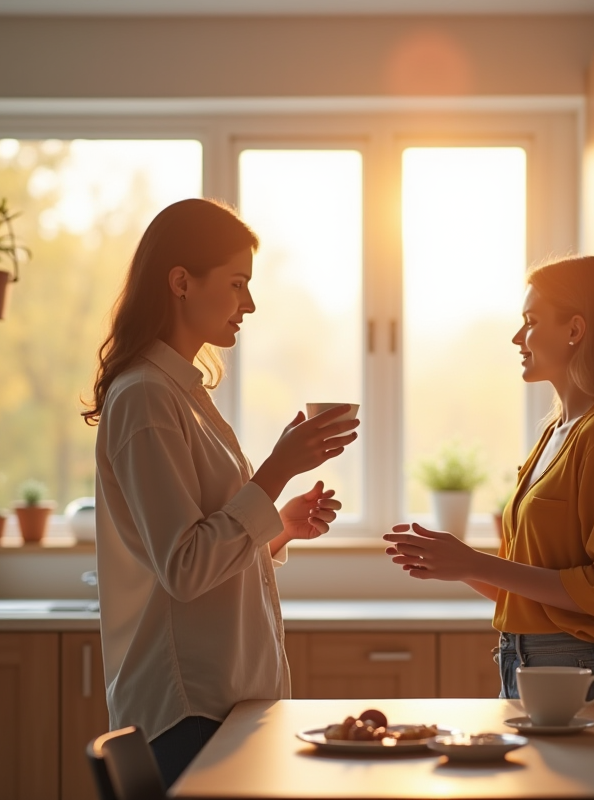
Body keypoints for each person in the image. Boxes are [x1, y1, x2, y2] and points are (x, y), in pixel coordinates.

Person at [82, 198, 359, 785]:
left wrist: (278, 522)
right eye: (237, 284)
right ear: (181, 282)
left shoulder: (183, 393)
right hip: (189, 711)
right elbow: (183, 566)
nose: (249, 303)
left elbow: (205, 543)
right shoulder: (146, 399)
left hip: (222, 704)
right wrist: (275, 471)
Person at [383, 255, 594, 701]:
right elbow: (534, 589)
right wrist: (459, 566)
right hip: (533, 664)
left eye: (530, 322)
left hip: (583, 670)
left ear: (575, 330)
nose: (517, 338)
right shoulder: (556, 432)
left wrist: (472, 562)